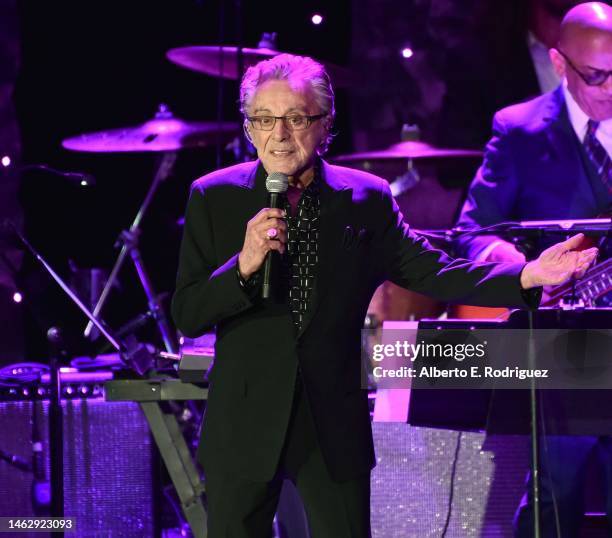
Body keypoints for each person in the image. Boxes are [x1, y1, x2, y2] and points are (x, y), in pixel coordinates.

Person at [171, 53, 597, 537]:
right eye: (264, 120)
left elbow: (434, 270)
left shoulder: (365, 198)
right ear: (248, 127)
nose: (279, 135)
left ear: (325, 122)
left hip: (330, 422)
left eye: (295, 118)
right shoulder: (213, 196)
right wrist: (243, 266)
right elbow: (187, 312)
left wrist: (526, 275)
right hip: (243, 423)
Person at [454, 3, 612, 535]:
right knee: (556, 497)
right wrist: (519, 268)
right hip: (565, 350)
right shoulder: (518, 130)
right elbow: (472, 231)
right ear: (559, 63)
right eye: (597, 76)